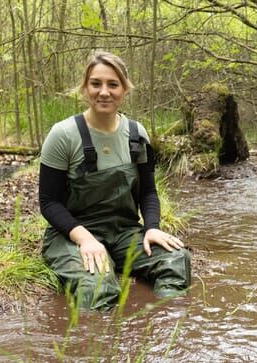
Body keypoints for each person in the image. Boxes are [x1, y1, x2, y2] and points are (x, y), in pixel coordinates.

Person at [39, 50, 191, 310]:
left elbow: (148, 193)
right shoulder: (63, 135)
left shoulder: (136, 133)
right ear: (85, 88)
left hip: (123, 233)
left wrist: (152, 227)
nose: (104, 92)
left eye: (113, 84)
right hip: (72, 235)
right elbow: (49, 202)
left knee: (176, 261)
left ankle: (162, 327)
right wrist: (85, 239)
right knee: (97, 287)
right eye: (96, 83)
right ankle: (100, 345)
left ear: (124, 90)